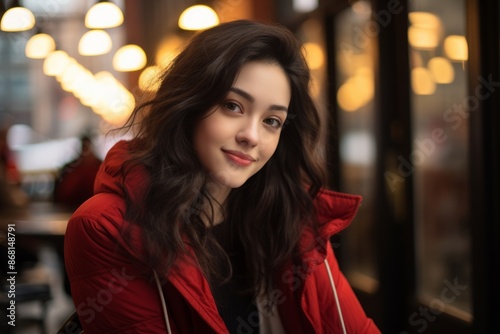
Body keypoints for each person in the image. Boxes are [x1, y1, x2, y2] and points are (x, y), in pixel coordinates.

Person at [64, 20, 381, 333]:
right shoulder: (103, 227)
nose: (252, 136)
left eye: (272, 120)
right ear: (188, 104)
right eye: (233, 106)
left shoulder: (293, 220)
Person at [53, 133, 102, 208]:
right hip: (71, 210)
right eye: (84, 147)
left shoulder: (101, 166)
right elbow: (60, 194)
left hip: (94, 208)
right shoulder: (70, 168)